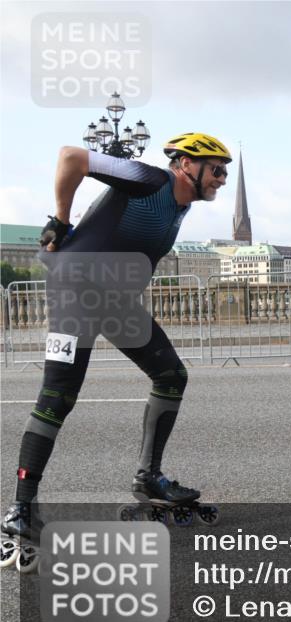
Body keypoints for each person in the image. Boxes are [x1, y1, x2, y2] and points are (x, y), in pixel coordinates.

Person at [1, 133, 231, 555]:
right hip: (75, 290)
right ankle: (20, 509)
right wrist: (61, 220)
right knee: (57, 397)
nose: (221, 179)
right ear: (186, 165)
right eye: (216, 169)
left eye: (224, 172)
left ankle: (149, 477)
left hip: (112, 301)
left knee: (171, 375)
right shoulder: (150, 180)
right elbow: (71, 156)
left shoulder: (180, 208)